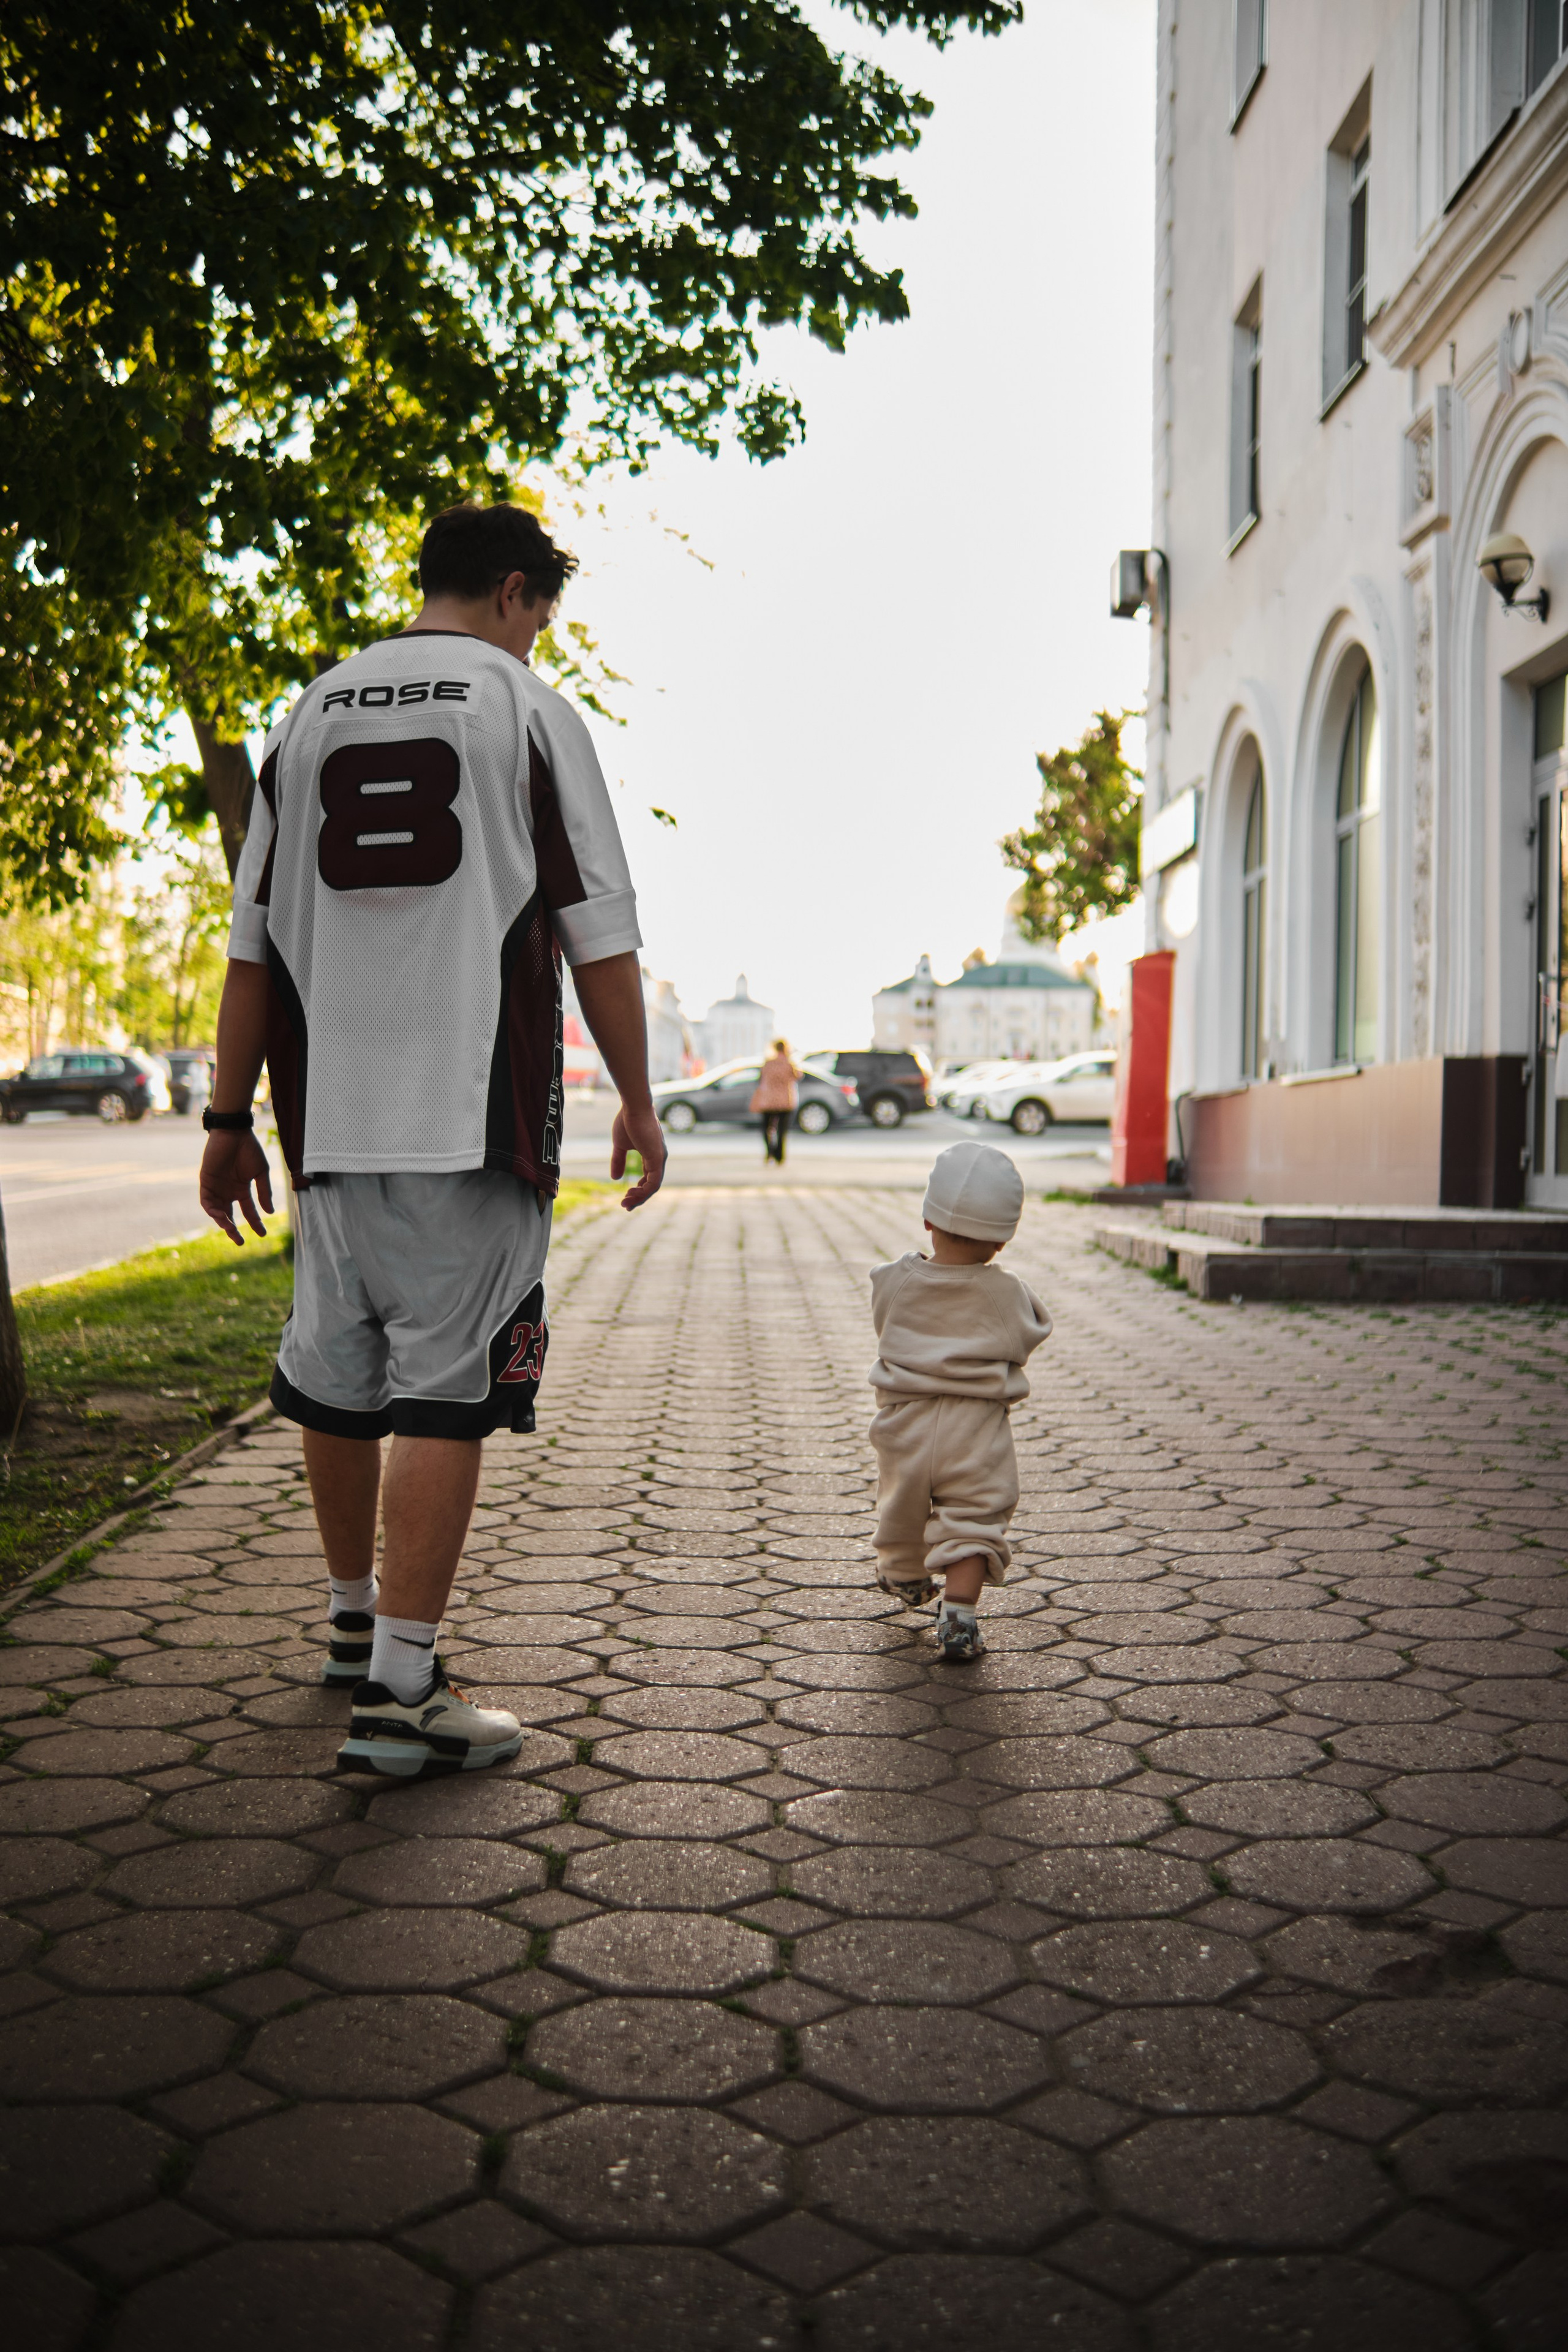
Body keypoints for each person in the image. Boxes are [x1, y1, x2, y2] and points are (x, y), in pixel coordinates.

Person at [197, 501, 666, 1775]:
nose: (537, 643)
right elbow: (597, 933)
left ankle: (354, 1627)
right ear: (515, 593)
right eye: (541, 620)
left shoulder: (308, 715)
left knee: (337, 1382)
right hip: (474, 1121)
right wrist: (637, 1095)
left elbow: (252, 951)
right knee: (444, 1397)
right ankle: (403, 1695)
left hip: (328, 1127)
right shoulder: (524, 711)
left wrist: (227, 1118)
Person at [867, 1141, 1051, 1661]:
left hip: (906, 1421)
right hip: (977, 1427)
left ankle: (904, 1575)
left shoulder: (893, 1280)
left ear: (929, 1218)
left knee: (901, 1508)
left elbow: (884, 1319)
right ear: (1001, 1241)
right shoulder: (1005, 1292)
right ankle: (959, 1615)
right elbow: (1031, 1331)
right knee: (974, 1520)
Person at [752, 1037, 802, 1164]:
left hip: (768, 1100)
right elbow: (798, 1076)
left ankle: (770, 1151)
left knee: (766, 1128)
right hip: (785, 1101)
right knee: (782, 1130)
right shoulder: (790, 1064)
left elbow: (761, 1078)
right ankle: (780, 1156)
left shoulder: (768, 1063)